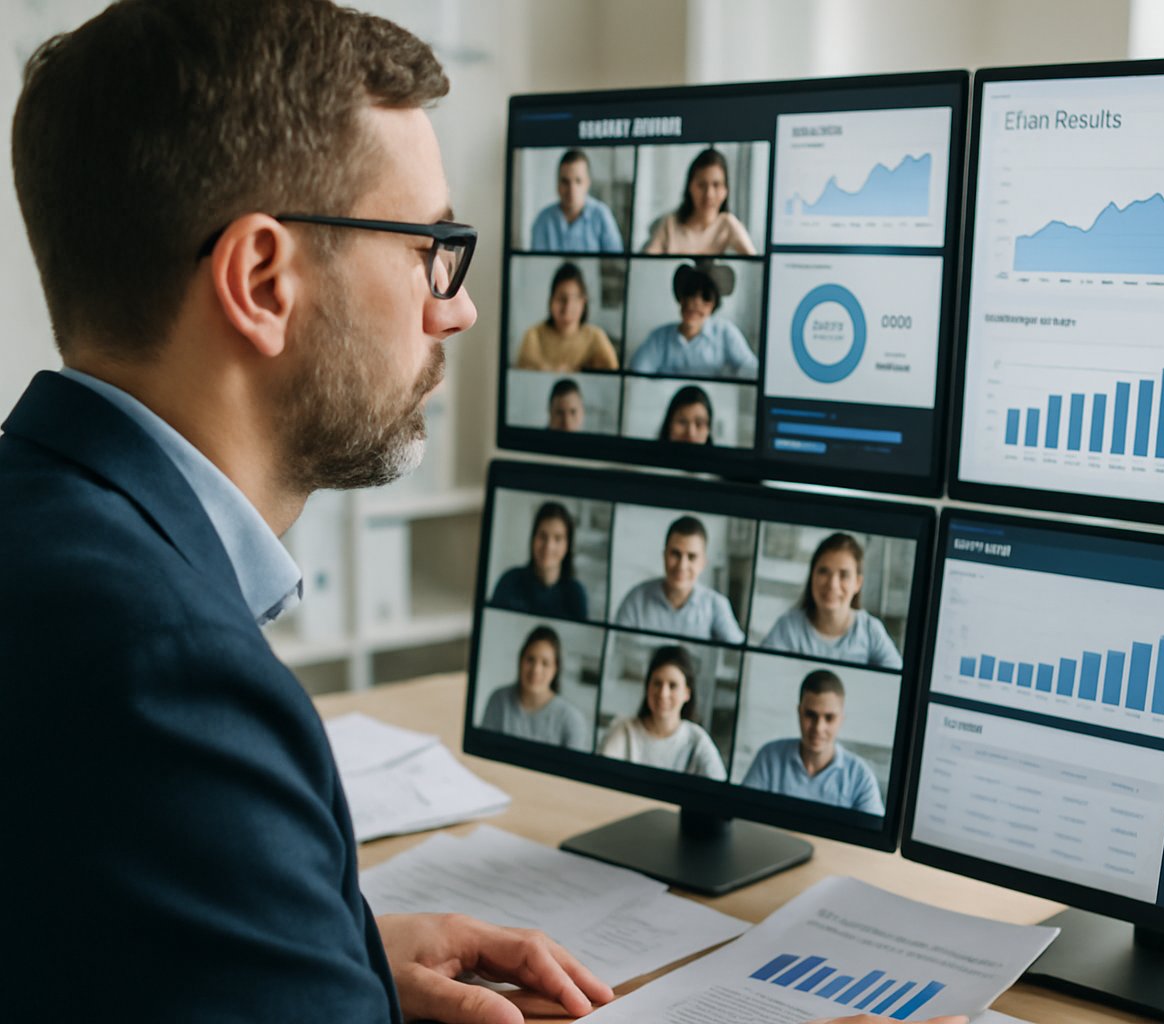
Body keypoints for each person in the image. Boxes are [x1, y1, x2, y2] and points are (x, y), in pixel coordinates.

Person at [1, 5, 950, 1023]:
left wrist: (330, 955)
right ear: (263, 281)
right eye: (431, 249)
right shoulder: (170, 674)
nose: (459, 308)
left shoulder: (41, 534)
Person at [741, 670, 885, 815]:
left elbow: (872, 836)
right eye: (810, 715)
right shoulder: (768, 757)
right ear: (799, 712)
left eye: (829, 718)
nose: (818, 728)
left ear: (841, 719)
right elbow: (742, 816)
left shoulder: (861, 777)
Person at [762, 533, 902, 669]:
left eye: (844, 575)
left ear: (858, 583)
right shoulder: (788, 627)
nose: (832, 584)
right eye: (824, 572)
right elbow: (760, 673)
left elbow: (897, 683)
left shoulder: (871, 631)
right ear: (812, 576)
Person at [599, 645, 726, 779]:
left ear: (687, 693)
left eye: (673, 685)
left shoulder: (698, 742)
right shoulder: (623, 731)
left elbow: (720, 792)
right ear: (647, 687)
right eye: (657, 683)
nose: (663, 694)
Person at [613, 515, 744, 642]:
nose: (682, 566)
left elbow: (737, 656)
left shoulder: (717, 606)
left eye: (691, 557)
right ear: (664, 555)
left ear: (703, 562)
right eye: (675, 554)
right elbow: (615, 653)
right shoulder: (636, 600)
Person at [629, 262, 758, 379]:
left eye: (705, 296)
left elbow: (750, 369)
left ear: (713, 305)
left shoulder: (726, 333)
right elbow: (636, 374)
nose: (695, 303)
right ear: (681, 299)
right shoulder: (659, 338)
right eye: (690, 293)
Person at [480, 626, 591, 751]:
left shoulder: (572, 719)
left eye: (545, 663)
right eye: (530, 660)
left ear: (555, 669)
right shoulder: (498, 699)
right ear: (520, 660)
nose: (536, 670)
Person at [643, 147, 756, 255]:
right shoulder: (670, 224)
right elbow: (644, 265)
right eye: (701, 185)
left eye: (716, 185)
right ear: (690, 187)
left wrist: (733, 225)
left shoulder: (728, 226)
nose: (709, 195)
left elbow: (757, 264)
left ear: (726, 190)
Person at [490, 501, 590, 619]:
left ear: (567, 546)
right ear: (533, 539)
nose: (548, 546)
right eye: (543, 536)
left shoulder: (576, 595)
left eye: (557, 538)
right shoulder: (509, 582)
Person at [515, 261, 618, 371]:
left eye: (574, 299)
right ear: (551, 301)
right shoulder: (533, 336)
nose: (567, 307)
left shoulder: (596, 337)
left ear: (583, 302)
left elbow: (612, 372)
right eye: (561, 299)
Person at [529, 148, 624, 252]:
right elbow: (536, 265)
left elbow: (615, 264)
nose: (571, 189)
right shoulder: (543, 220)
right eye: (565, 182)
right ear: (557, 184)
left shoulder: (602, 216)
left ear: (587, 183)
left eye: (578, 181)